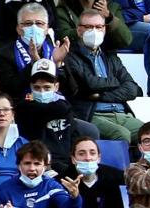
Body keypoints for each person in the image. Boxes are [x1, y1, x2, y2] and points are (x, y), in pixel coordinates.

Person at [62, 9, 144, 144]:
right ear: (79, 30)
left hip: (121, 112)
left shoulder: (110, 55)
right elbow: (89, 84)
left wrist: (100, 96)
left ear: (104, 30)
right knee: (121, 134)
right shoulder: (70, 55)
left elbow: (132, 89)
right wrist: (116, 82)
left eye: (98, 27)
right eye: (88, 27)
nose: (94, 31)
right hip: (92, 114)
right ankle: (120, 166)